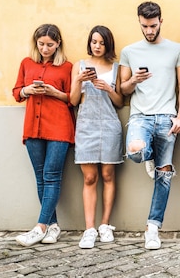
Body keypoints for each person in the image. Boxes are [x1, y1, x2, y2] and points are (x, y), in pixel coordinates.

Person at [119, 1, 180, 250]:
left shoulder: (176, 49)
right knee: (136, 153)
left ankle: (152, 228)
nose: (149, 30)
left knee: (164, 175)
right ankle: (148, 153)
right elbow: (122, 89)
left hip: (168, 118)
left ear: (161, 21)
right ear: (139, 22)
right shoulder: (129, 51)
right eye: (144, 26)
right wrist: (133, 80)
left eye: (153, 25)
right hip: (141, 117)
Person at [12, 24, 74, 247]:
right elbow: (16, 92)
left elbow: (72, 98)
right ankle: (53, 226)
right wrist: (27, 90)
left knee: (51, 176)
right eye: (41, 44)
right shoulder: (26, 63)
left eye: (50, 44)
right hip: (33, 128)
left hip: (59, 127)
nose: (45, 48)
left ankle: (39, 227)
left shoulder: (68, 67)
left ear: (58, 44)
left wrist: (52, 92)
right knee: (40, 177)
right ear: (35, 43)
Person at [70, 25, 124, 249]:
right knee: (90, 178)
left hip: (110, 125)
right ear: (89, 43)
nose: (97, 46)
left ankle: (105, 224)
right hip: (86, 125)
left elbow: (120, 102)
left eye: (102, 42)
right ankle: (89, 228)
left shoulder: (116, 68)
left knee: (108, 175)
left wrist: (108, 89)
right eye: (94, 42)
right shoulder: (79, 66)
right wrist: (79, 80)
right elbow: (73, 101)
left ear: (108, 44)